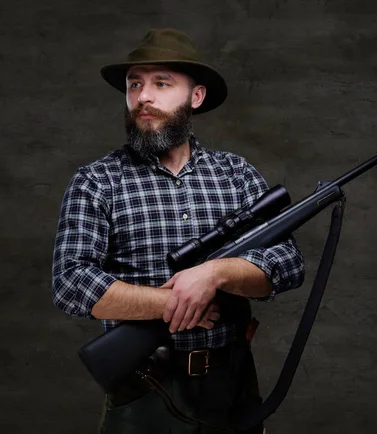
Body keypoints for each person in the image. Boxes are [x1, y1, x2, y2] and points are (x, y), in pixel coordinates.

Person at [52, 28, 305, 434]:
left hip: (232, 384)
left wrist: (215, 274)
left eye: (161, 84)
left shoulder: (236, 174)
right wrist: (173, 302)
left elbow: (288, 264)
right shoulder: (96, 181)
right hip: (145, 388)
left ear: (196, 97)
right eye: (135, 84)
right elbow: (72, 284)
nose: (143, 97)